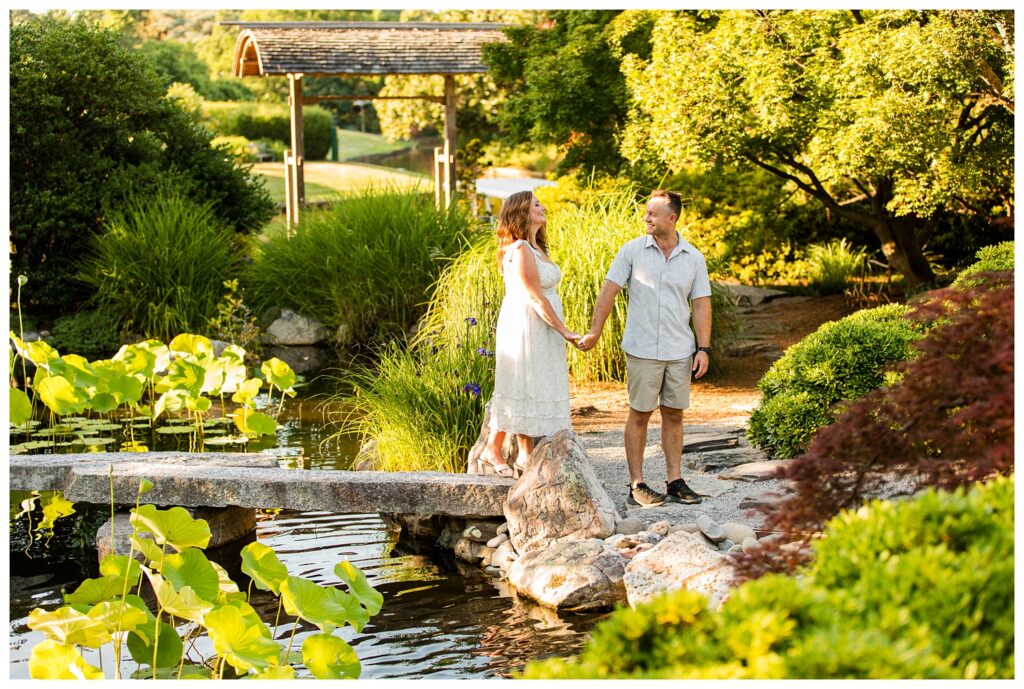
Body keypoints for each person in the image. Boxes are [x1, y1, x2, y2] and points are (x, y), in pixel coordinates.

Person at [577, 190, 711, 507]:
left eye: (653, 213)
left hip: (680, 350)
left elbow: (702, 304)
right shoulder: (632, 251)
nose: (647, 218)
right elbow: (608, 292)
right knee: (640, 414)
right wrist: (595, 331)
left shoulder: (693, 258)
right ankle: (636, 484)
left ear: (672, 218)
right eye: (646, 212)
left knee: (674, 415)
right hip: (642, 349)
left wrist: (704, 347)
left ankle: (675, 481)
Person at [475, 191, 580, 477]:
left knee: (532, 385)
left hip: (541, 326)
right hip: (526, 323)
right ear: (521, 211)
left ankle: (523, 454)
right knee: (522, 383)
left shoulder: (536, 247)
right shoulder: (520, 248)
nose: (543, 207)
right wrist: (565, 331)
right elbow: (534, 297)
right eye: (536, 204)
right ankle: (495, 450)